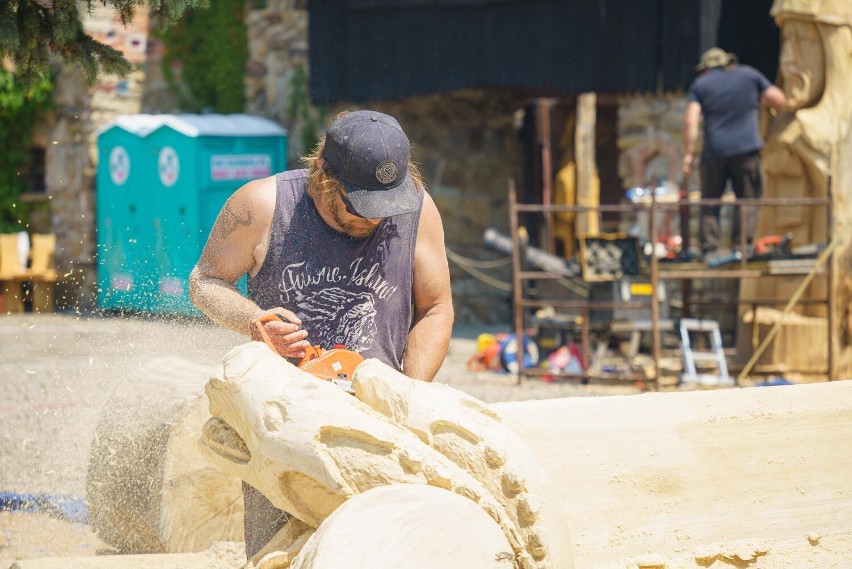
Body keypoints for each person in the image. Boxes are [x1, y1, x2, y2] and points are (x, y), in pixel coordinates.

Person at [189, 109, 455, 558]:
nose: (374, 220)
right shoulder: (262, 205)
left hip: (379, 429)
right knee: (279, 556)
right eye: (359, 207)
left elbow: (436, 308)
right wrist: (255, 323)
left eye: (384, 207)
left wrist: (406, 392)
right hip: (281, 429)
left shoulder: (418, 209)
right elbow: (204, 282)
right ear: (323, 174)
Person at [682, 47, 787, 254]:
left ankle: (708, 247)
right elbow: (778, 99)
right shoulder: (749, 75)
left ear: (706, 68)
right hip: (747, 149)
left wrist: (688, 154)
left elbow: (690, 121)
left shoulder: (701, 84)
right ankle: (743, 246)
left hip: (714, 152)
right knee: (747, 200)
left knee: (710, 202)